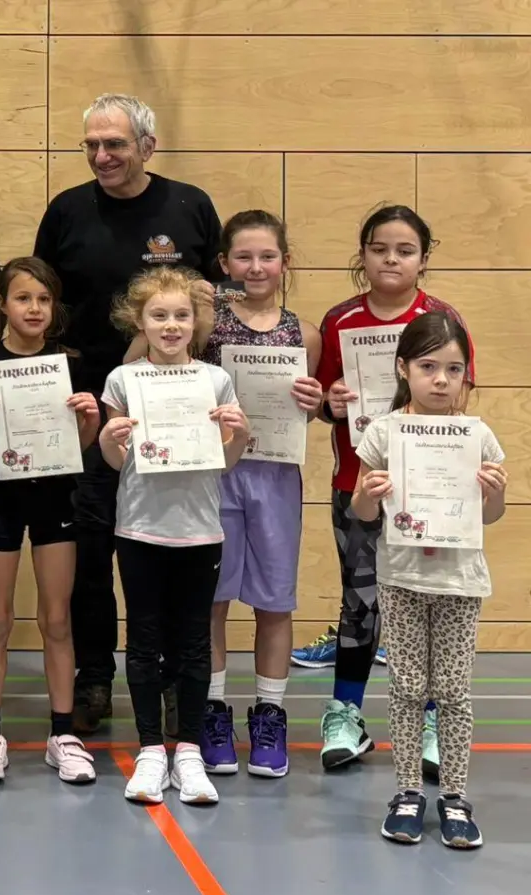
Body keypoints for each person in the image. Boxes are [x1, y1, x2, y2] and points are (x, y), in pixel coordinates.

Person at [33, 93, 224, 736]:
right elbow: (45, 307)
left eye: (113, 144)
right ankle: (94, 680)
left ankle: (170, 682)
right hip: (85, 414)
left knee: (164, 554)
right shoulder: (65, 211)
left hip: (175, 420)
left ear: (147, 145)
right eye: (90, 144)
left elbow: (207, 305)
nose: (100, 156)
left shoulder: (190, 207)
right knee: (90, 556)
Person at [305, 205, 471, 773]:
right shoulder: (340, 321)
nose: (392, 259)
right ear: (364, 255)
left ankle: (429, 720)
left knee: (427, 603)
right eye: (380, 249)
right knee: (361, 600)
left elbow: (460, 396)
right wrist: (330, 406)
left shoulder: (442, 317)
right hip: (359, 484)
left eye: (405, 250)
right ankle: (346, 715)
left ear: (424, 257)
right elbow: (328, 404)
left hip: (429, 494)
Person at [100, 267, 248, 806]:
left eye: (181, 315)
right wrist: (110, 438)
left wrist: (242, 432)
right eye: (159, 316)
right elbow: (117, 462)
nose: (170, 325)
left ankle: (187, 751)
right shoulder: (123, 380)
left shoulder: (215, 380)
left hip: (199, 530)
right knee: (142, 641)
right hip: (140, 527)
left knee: (192, 643)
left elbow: (226, 460)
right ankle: (148, 752)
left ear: (197, 322)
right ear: (139, 321)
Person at [354, 313, 503, 849]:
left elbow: (491, 517)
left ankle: (457, 797)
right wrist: (370, 491)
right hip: (402, 578)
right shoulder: (384, 432)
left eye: (454, 368)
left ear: (467, 376)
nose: (441, 379)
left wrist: (492, 491)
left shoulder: (478, 435)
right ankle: (408, 792)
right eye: (428, 366)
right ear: (404, 369)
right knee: (407, 689)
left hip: (460, 582)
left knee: (455, 693)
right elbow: (361, 510)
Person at [181, 211, 321, 779]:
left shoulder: (304, 333)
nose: (256, 267)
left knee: (274, 601)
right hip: (214, 472)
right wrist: (183, 294)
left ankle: (269, 713)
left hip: (277, 474)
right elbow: (149, 356)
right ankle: (212, 710)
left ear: (285, 262)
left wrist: (318, 401)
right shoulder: (205, 322)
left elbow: (328, 406)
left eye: (268, 256)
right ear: (224, 264)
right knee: (211, 599)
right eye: (243, 257)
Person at [0, 257, 100, 784]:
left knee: (56, 620)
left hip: (56, 501)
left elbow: (79, 449)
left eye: (43, 299)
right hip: (1, 501)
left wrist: (88, 422)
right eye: (23, 298)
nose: (34, 308)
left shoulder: (71, 364)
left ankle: (62, 733)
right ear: (2, 304)